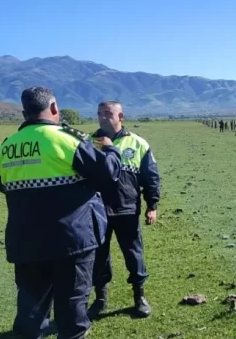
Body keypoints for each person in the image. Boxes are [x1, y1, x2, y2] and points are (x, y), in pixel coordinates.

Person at [0, 86, 122, 339]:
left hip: (25, 243)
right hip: (70, 242)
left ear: (24, 112)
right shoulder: (64, 139)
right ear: (53, 108)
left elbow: (0, 184)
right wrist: (110, 149)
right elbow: (109, 173)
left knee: (31, 312)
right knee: (72, 311)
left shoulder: (6, 147)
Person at [88, 101, 161, 318]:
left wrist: (152, 205)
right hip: (97, 211)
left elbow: (151, 177)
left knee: (133, 254)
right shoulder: (89, 143)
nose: (103, 117)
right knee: (98, 257)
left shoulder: (137, 143)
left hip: (127, 209)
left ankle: (139, 297)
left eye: (108, 113)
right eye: (100, 113)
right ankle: (100, 298)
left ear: (121, 116)